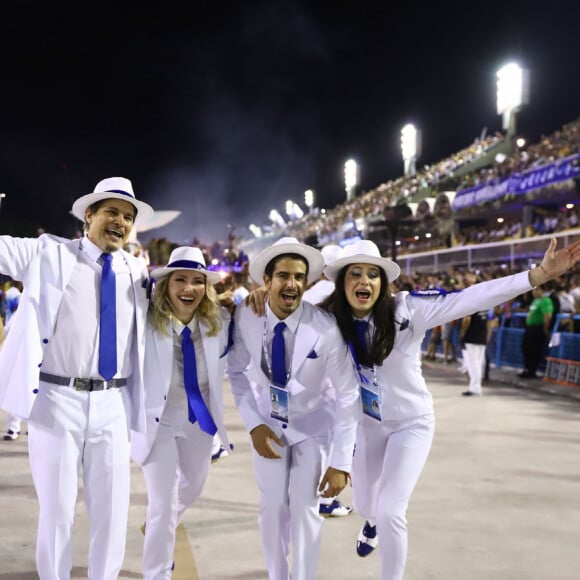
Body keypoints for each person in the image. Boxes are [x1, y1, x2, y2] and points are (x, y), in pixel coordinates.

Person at [319, 237, 580, 580]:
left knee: (391, 511)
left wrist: (537, 275)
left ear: (383, 283)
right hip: (368, 425)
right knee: (368, 506)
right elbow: (290, 312)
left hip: (411, 424)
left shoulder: (409, 310)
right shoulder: (328, 317)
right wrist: (259, 299)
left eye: (373, 274)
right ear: (342, 282)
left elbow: (472, 297)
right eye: (355, 274)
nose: (364, 281)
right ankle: (371, 522)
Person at [0, 177, 154, 580]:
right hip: (55, 399)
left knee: (112, 510)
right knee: (56, 511)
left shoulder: (138, 273)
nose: (120, 222)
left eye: (127, 216)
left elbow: (189, 300)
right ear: (89, 215)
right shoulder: (48, 254)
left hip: (114, 403)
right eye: (111, 213)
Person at [226, 237, 360, 580]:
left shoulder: (325, 327)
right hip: (268, 425)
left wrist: (341, 462)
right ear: (266, 281)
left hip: (313, 426)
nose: (292, 283)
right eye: (283, 275)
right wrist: (253, 424)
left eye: (299, 277)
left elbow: (347, 394)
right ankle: (277, 575)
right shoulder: (246, 316)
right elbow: (236, 372)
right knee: (271, 507)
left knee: (305, 509)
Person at [130, 246, 233, 579]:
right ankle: (157, 572)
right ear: (166, 284)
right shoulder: (144, 320)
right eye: (180, 280)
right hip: (157, 421)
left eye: (197, 281)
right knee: (162, 502)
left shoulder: (222, 320)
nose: (189, 289)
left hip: (198, 420)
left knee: (194, 486)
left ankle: (160, 526)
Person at [303, 244, 353, 518]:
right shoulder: (339, 294)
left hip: (310, 376)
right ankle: (323, 499)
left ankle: (313, 495)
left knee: (320, 440)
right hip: (336, 375)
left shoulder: (308, 294)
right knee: (333, 440)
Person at [518, 285, 554, 379]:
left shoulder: (545, 301)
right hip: (530, 328)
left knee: (534, 350)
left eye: (537, 290)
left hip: (537, 329)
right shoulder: (535, 301)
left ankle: (532, 371)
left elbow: (547, 316)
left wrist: (545, 329)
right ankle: (527, 369)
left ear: (542, 290)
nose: (534, 292)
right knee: (526, 348)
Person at [459, 309, 490, 396]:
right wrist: (487, 335)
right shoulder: (485, 307)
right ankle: (477, 386)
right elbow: (490, 321)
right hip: (482, 337)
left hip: (471, 337)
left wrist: (462, 332)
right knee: (479, 363)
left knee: (472, 364)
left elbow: (467, 319)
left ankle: (475, 389)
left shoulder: (472, 305)